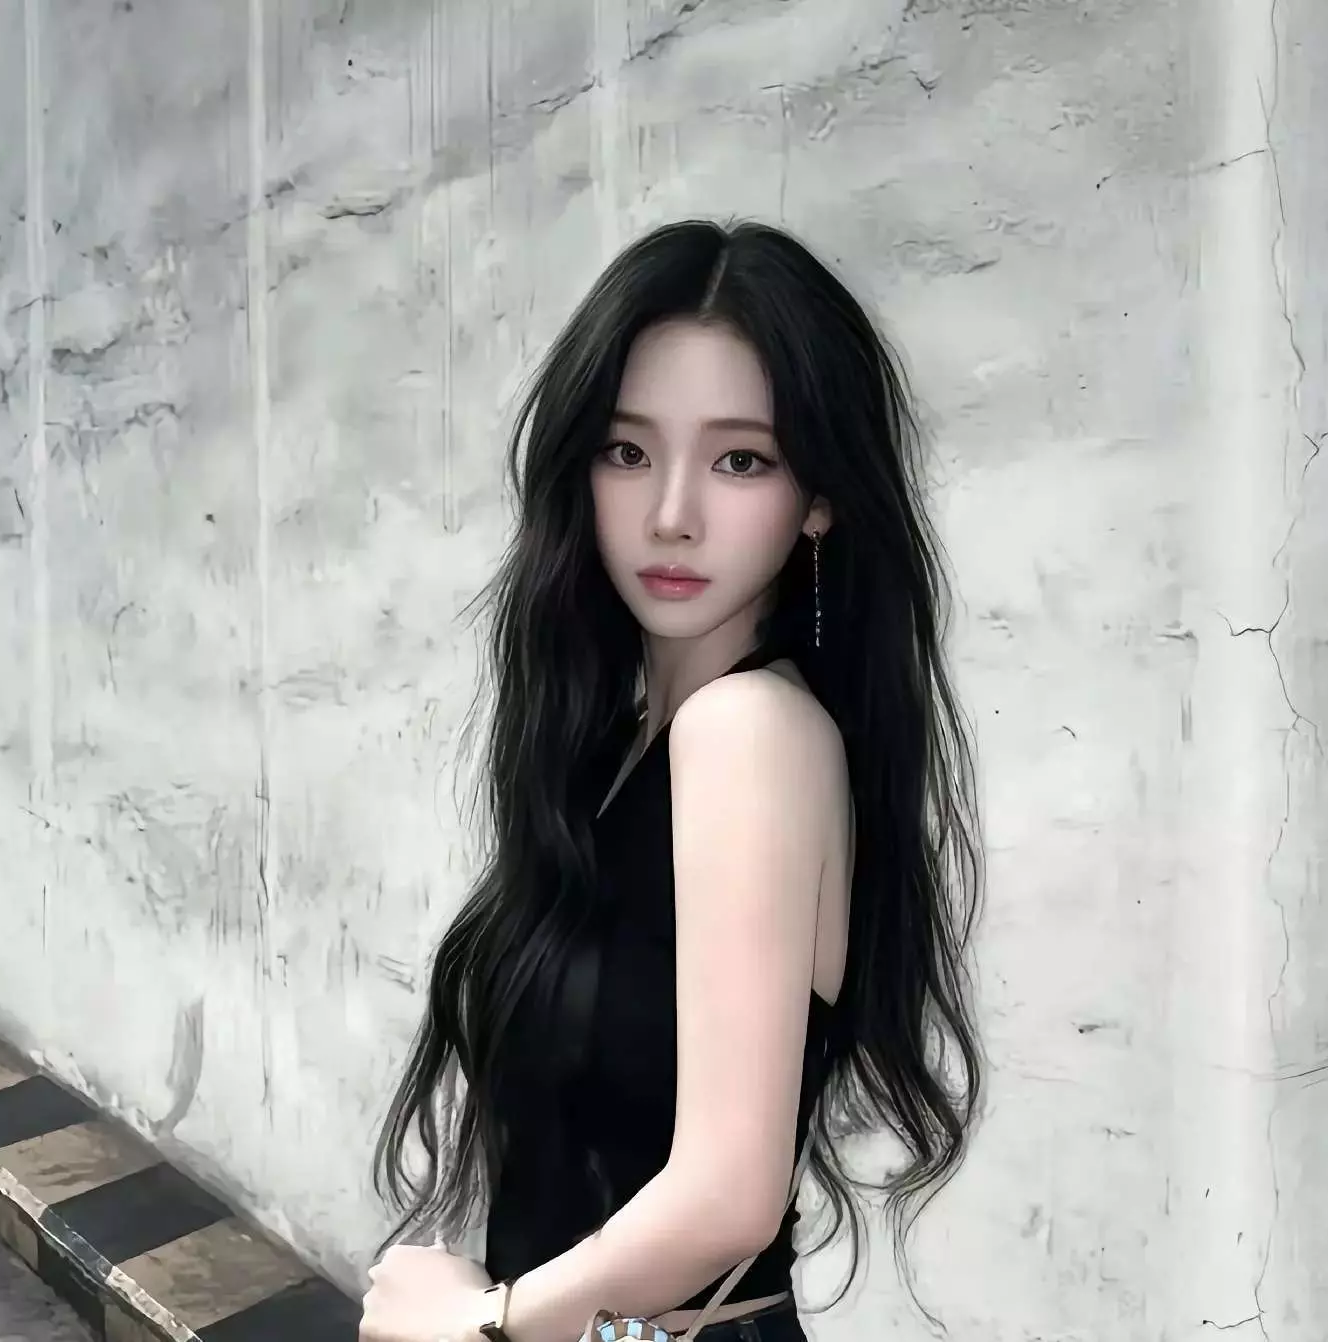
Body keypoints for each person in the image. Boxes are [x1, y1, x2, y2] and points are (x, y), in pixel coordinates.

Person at [361, 219, 984, 1342]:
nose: (671, 515)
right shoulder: (627, 742)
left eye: (742, 460)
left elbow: (726, 1196)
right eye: (628, 451)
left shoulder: (748, 732)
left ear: (819, 497)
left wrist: (482, 1326)